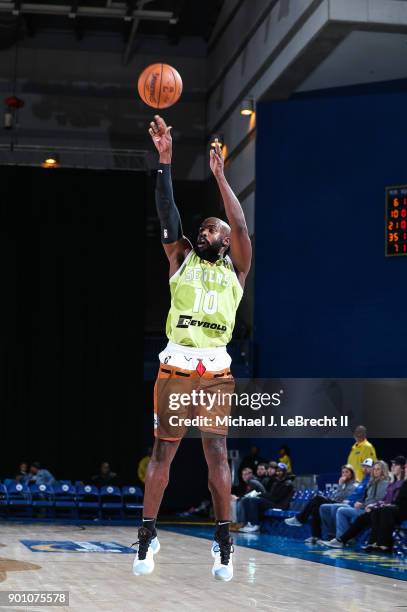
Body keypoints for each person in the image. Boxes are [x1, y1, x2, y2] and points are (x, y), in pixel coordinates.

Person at [132, 115, 252, 582]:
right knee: (162, 455)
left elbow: (240, 225)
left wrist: (222, 176)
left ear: (226, 243)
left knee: (217, 456)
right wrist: (164, 160)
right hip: (177, 367)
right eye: (202, 228)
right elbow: (168, 212)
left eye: (212, 230)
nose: (205, 231)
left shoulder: (236, 270)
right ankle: (147, 534)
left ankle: (224, 539)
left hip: (216, 372)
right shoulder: (180, 257)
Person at [324, 456, 406, 549]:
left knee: (342, 510)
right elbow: (377, 499)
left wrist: (368, 505)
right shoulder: (378, 482)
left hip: (384, 510)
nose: (375, 471)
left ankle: (345, 540)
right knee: (359, 518)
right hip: (375, 509)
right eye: (374, 469)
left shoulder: (385, 483)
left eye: (378, 469)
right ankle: (342, 539)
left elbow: (382, 500)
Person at [285, 464, 357, 544]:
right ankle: (316, 536)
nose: (344, 474)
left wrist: (340, 485)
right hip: (335, 503)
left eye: (346, 472)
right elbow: (334, 497)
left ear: (351, 474)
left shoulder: (353, 486)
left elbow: (340, 498)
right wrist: (340, 486)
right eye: (343, 472)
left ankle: (300, 519)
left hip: (342, 505)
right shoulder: (343, 484)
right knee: (316, 507)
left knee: (317, 499)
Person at [319, 457, 373, 541]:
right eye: (363, 466)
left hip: (355, 505)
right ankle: (331, 534)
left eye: (367, 467)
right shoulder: (364, 479)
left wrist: (351, 502)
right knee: (323, 507)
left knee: (335, 507)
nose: (365, 468)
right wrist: (340, 485)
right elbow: (335, 497)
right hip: (348, 503)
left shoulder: (364, 482)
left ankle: (339, 537)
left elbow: (363, 497)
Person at [362, 459, 407, 552]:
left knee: (386, 510)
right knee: (378, 510)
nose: (406, 467)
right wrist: (378, 505)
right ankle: (373, 542)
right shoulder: (403, 481)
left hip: (403, 510)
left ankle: (384, 544)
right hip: (397, 508)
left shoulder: (402, 482)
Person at [239, 463, 294, 533]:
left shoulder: (287, 483)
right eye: (278, 471)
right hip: (273, 502)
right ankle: (248, 523)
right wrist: (260, 495)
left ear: (285, 472)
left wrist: (260, 495)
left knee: (254, 500)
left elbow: (276, 498)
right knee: (247, 499)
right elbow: (271, 495)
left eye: (281, 471)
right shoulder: (278, 481)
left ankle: (255, 524)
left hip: (279, 505)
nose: (278, 473)